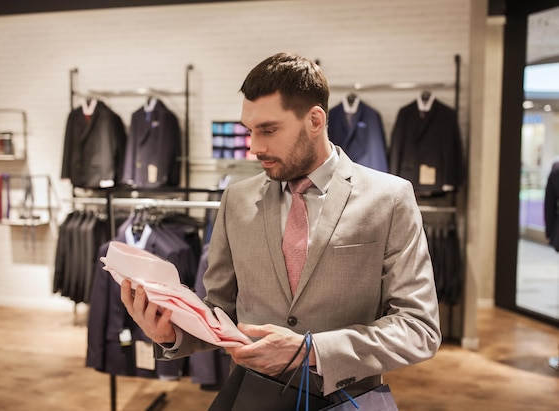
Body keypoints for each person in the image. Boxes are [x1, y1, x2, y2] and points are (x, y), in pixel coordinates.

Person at [120, 52, 441, 397]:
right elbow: (220, 310)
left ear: (315, 120)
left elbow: (418, 327)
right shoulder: (236, 200)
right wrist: (173, 332)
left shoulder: (389, 198)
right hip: (251, 396)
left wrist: (313, 350)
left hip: (344, 398)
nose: (255, 147)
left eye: (268, 130)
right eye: (249, 131)